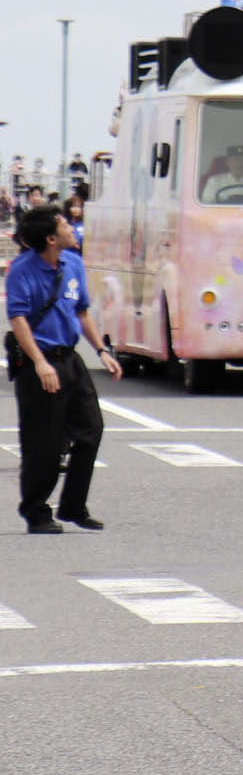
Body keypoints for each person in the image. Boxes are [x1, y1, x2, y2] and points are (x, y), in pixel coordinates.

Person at [6, 204, 121, 533]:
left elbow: (82, 311)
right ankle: (36, 511)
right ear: (51, 238)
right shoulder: (22, 269)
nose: (73, 228)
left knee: (90, 429)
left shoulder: (73, 262)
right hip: (37, 361)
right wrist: (40, 363)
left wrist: (102, 350)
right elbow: (18, 320)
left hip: (70, 358)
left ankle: (73, 506)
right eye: (65, 226)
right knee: (43, 443)